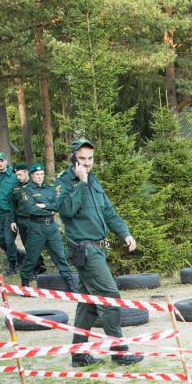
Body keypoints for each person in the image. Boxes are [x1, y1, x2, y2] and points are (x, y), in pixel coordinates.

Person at [58, 138, 143, 367]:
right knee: (110, 297)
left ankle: (79, 354)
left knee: (87, 305)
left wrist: (125, 233)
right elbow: (66, 210)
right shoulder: (65, 182)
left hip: (98, 248)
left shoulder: (94, 181)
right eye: (82, 159)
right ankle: (119, 351)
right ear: (73, 158)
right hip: (84, 251)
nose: (87, 163)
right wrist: (81, 183)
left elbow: (109, 212)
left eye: (90, 159)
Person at [13, 163, 78, 291]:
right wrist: (49, 208)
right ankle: (25, 282)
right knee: (32, 256)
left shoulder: (50, 188)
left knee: (60, 255)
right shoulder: (26, 190)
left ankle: (70, 282)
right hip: (36, 227)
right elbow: (32, 210)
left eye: (42, 174)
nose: (40, 177)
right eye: (37, 174)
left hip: (51, 227)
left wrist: (44, 206)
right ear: (31, 176)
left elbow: (57, 206)